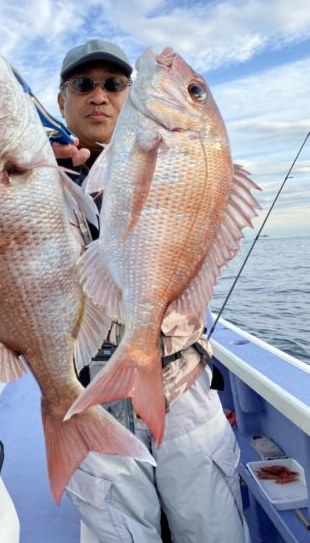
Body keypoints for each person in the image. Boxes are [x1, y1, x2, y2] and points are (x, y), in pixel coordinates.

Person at [52, 39, 251, 543]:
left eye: (115, 84)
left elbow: (196, 211)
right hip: (90, 394)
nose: (100, 95)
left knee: (213, 529)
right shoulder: (32, 177)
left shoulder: (176, 150)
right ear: (61, 100)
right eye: (84, 84)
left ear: (130, 94)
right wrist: (48, 179)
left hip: (182, 383)